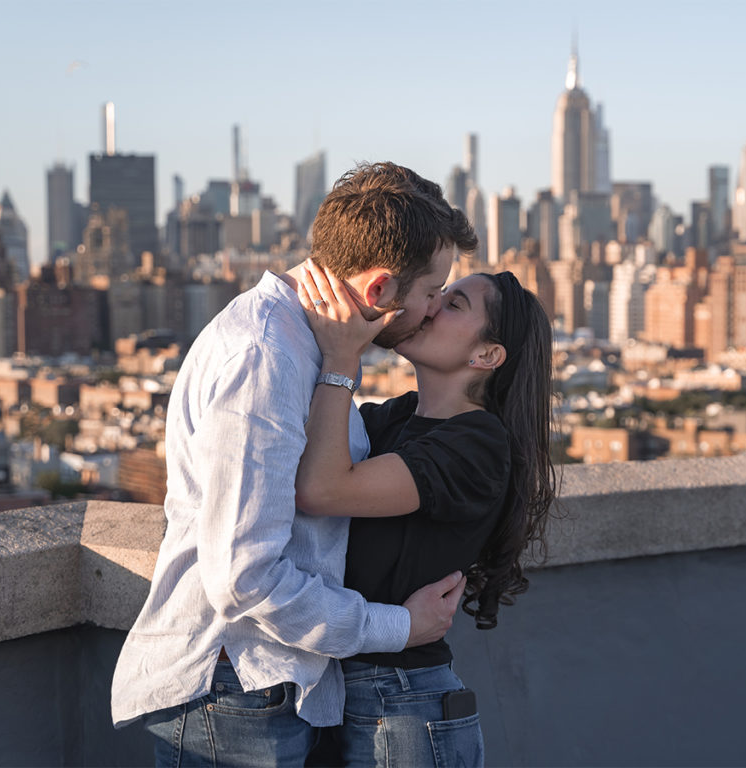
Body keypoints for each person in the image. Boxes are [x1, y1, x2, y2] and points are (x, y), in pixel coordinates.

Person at [110, 162, 478, 767]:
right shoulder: (266, 357)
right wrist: (398, 628)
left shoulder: (304, 342)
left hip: (261, 686)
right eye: (431, 292)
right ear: (382, 289)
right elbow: (243, 577)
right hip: (235, 691)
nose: (434, 308)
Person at [293, 260, 558, 767]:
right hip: (345, 694)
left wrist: (343, 356)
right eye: (437, 294)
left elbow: (320, 489)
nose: (432, 306)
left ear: (487, 354)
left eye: (453, 303)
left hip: (404, 705)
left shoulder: (478, 443)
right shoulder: (395, 417)